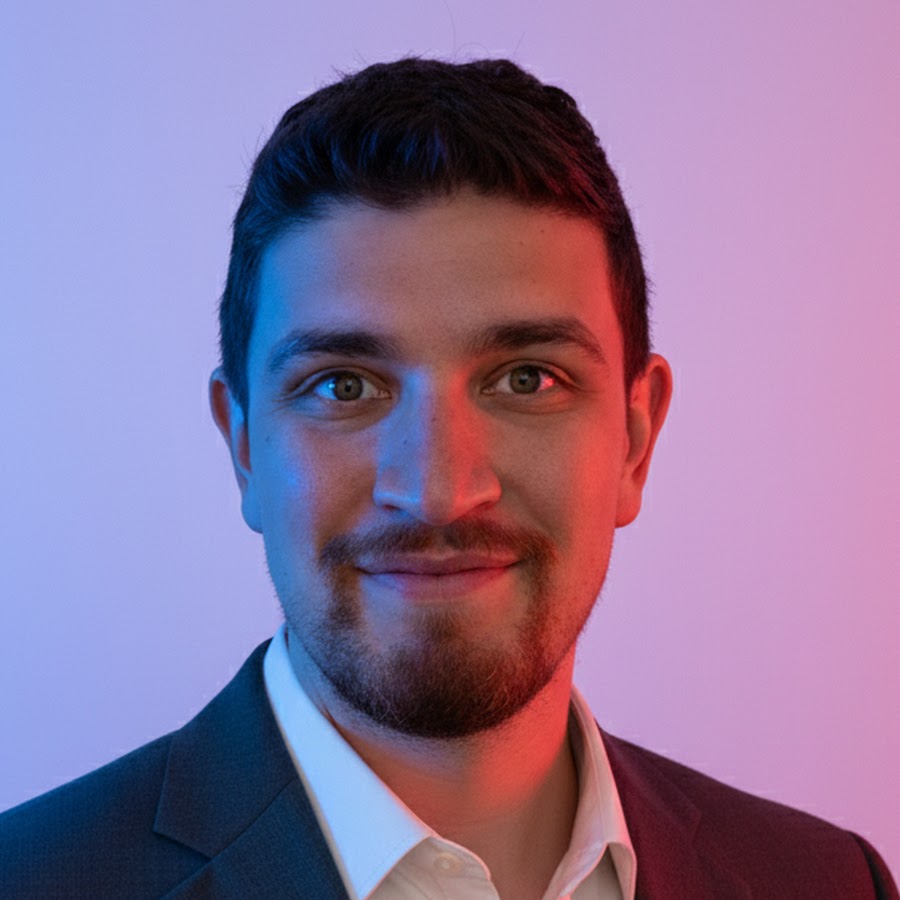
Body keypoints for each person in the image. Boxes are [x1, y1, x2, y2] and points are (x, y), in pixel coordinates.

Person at [0, 57, 895, 900]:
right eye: (343, 386)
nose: (437, 491)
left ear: (635, 439)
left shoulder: (828, 882)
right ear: (243, 446)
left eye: (527, 379)